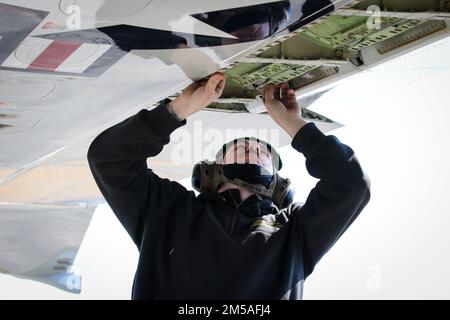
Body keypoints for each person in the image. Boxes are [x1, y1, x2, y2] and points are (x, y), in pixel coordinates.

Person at [87, 73, 371, 299]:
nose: (251, 145)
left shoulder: (294, 232)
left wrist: (295, 125)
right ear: (215, 168)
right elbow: (109, 159)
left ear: (278, 181)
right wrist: (177, 111)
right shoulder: (169, 211)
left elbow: (352, 184)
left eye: (263, 151)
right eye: (238, 146)